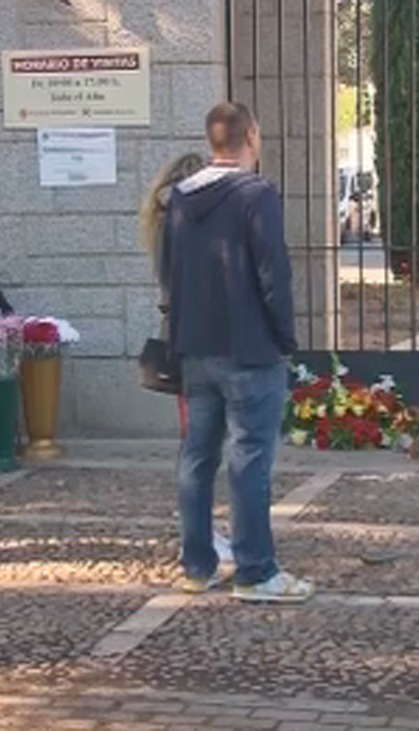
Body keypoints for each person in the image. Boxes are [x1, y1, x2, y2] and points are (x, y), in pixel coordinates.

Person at [162, 101, 313, 603]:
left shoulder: (180, 198)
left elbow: (170, 272)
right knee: (250, 461)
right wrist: (285, 336)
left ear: (211, 141)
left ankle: (197, 565)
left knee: (197, 459)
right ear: (252, 135)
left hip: (195, 348)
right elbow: (274, 273)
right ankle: (255, 571)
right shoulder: (256, 194)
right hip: (249, 349)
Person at [139, 152, 207, 433]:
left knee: (188, 401)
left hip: (176, 322)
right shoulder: (190, 221)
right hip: (201, 320)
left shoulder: (159, 218)